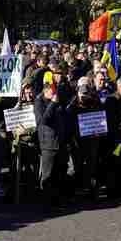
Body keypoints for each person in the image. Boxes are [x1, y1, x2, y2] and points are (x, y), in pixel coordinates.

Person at [34, 72, 70, 208]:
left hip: (59, 142)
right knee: (47, 175)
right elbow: (43, 120)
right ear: (46, 90)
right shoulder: (39, 102)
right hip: (48, 144)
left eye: (55, 90)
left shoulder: (57, 100)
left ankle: (56, 201)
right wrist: (53, 104)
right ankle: (46, 202)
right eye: (51, 90)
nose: (54, 93)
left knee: (58, 174)